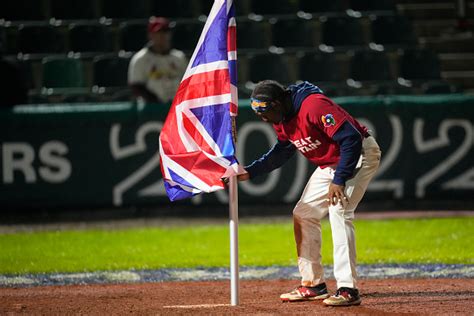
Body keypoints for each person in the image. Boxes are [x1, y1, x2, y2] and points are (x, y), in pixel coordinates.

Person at [237, 80, 381, 306]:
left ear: (277, 103)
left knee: (339, 211)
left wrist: (339, 179)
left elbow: (351, 138)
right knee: (304, 214)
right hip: (330, 165)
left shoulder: (313, 106)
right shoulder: (281, 116)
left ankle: (347, 289)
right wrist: (250, 171)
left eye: (265, 112)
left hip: (357, 156)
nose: (263, 118)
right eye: (258, 113)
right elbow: (283, 151)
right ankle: (314, 284)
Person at [128, 17, 187, 104]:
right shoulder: (140, 58)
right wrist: (154, 101)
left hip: (176, 107)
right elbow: (136, 86)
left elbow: (187, 83)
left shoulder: (179, 57)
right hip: (151, 110)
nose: (162, 36)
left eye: (165, 32)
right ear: (150, 35)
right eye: (158, 33)